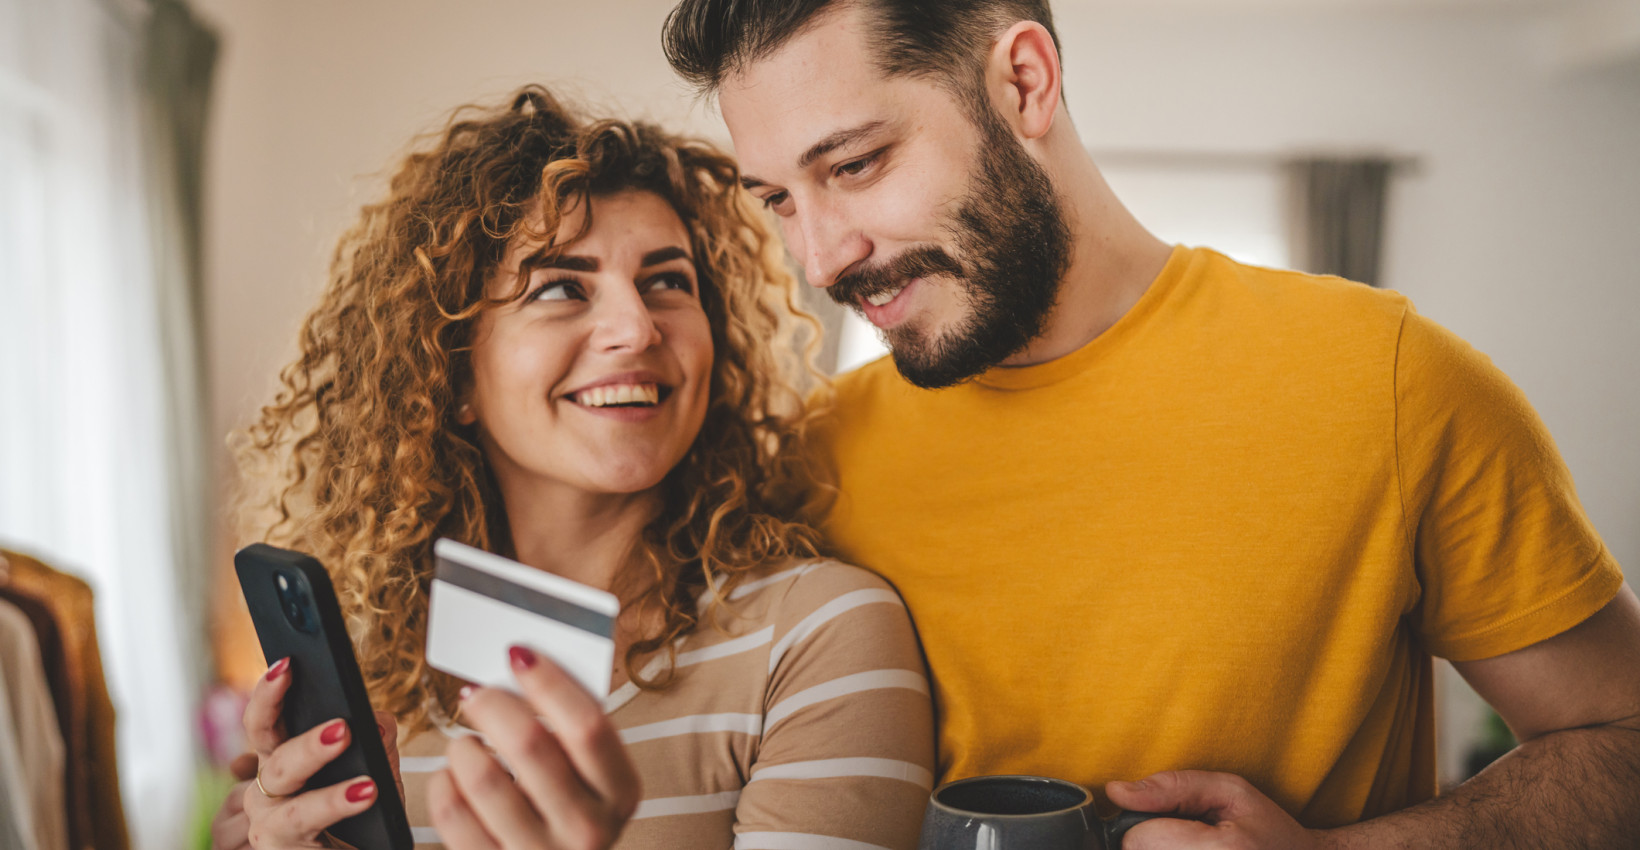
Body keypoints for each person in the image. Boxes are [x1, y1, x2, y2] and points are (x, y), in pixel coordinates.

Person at [660, 0, 1640, 846]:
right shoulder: (804, 461)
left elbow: (1618, 742)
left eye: (857, 165)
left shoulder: (1388, 382)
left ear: (1025, 84)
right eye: (779, 200)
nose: (822, 258)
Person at [209, 86, 935, 850]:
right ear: (451, 372)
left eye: (667, 280)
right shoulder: (373, 690)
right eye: (560, 286)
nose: (635, 326)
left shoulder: (814, 638)